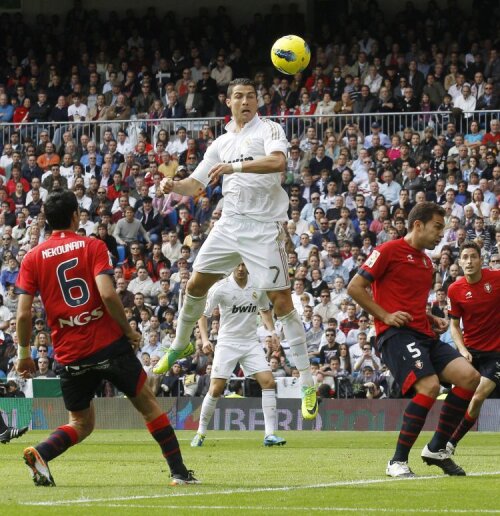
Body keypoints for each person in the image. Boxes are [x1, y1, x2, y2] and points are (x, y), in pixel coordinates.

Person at [153, 78, 317, 420]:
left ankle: (306, 381)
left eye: (251, 96)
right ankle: (180, 343)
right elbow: (194, 184)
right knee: (195, 284)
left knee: (283, 301)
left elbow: (278, 164)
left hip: (263, 228)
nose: (245, 101)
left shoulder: (270, 130)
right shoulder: (222, 142)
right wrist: (171, 186)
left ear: (259, 101)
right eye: (239, 96)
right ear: (228, 102)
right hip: (229, 224)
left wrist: (235, 167)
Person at [15, 190, 197, 487]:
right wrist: (128, 331)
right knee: (148, 405)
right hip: (109, 346)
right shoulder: (93, 246)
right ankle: (179, 472)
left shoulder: (32, 258)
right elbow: (108, 293)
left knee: (81, 423)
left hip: (70, 355)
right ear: (76, 216)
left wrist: (24, 354)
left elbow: (23, 315)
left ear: (47, 221)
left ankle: (43, 452)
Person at [347, 202, 480, 478]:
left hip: (423, 334)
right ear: (417, 225)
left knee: (469, 377)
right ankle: (397, 461)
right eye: (437, 227)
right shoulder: (387, 251)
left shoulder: (425, 262)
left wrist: (432, 318)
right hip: (396, 335)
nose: (441, 234)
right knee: (429, 386)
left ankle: (436, 447)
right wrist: (385, 315)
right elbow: (354, 287)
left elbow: (412, 304)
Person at [191, 263, 286, 447]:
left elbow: (265, 310)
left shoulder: (257, 285)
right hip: (227, 343)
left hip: (250, 343)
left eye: (244, 265)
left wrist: (273, 331)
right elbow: (202, 314)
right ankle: (200, 433)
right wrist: (204, 339)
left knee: (268, 382)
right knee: (216, 389)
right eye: (238, 265)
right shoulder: (221, 287)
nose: (240, 268)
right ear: (232, 266)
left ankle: (269, 435)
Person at [446, 241, 500, 454]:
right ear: (460, 262)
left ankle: (451, 443)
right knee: (459, 397)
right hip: (470, 351)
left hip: (496, 353)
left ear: (480, 260)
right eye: (465, 257)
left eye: (473, 257)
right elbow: (454, 325)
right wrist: (462, 349)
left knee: (478, 396)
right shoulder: (454, 289)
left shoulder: (496, 279)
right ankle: (443, 439)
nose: (469, 261)